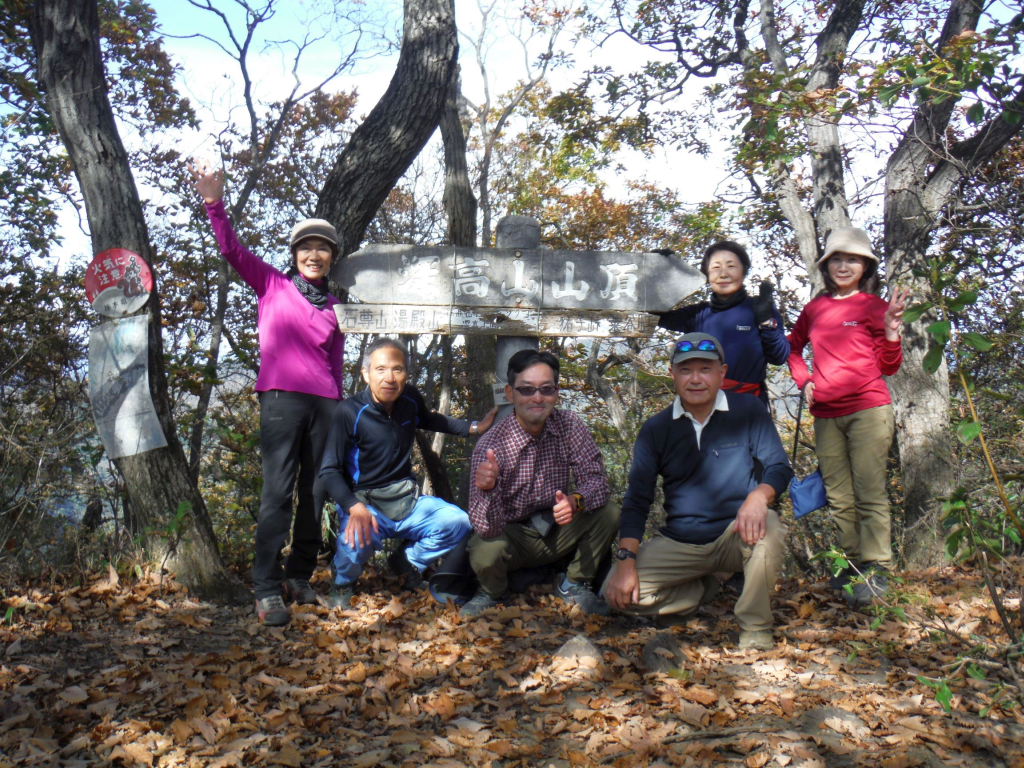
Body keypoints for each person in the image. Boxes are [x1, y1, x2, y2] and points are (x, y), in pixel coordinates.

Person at [189, 160, 345, 627]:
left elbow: (335, 361)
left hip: (325, 404)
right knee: (277, 492)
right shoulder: (272, 285)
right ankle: (264, 585)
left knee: (316, 492)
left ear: (332, 257)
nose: (314, 255)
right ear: (295, 254)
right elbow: (231, 249)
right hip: (280, 398)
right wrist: (214, 203)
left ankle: (298, 576)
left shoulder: (337, 307)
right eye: (306, 248)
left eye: (323, 249)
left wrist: (337, 403)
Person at [603, 332, 793, 650]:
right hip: (680, 542)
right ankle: (699, 590)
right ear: (672, 374)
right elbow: (637, 502)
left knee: (771, 526)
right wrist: (625, 564)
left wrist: (759, 496)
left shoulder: (747, 410)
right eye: (685, 369)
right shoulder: (656, 429)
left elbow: (778, 466)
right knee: (616, 593)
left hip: (736, 533)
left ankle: (756, 628)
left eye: (705, 369)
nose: (695, 379)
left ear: (722, 372)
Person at [320, 338, 496, 608]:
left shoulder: (410, 399)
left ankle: (405, 562)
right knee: (354, 540)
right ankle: (343, 581)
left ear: (406, 373)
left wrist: (474, 427)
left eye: (397, 369)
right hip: (365, 504)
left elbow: (430, 419)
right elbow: (329, 470)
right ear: (366, 374)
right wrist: (353, 506)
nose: (389, 378)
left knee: (459, 522)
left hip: (407, 500)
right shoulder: (350, 412)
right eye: (380, 369)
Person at [787, 226, 909, 607]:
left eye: (852, 259)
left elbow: (889, 367)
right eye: (836, 259)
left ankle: (877, 568)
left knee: (869, 490)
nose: (843, 266)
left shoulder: (873, 307)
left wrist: (891, 332)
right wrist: (803, 379)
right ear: (826, 267)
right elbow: (791, 349)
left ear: (865, 266)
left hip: (869, 408)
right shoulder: (815, 308)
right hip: (825, 413)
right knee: (838, 495)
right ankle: (850, 565)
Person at [461, 349, 620, 617]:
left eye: (546, 389)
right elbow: (485, 529)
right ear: (510, 394)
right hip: (512, 535)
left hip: (556, 528)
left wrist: (575, 501)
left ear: (556, 393)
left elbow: (596, 482)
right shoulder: (492, 445)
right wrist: (487, 491)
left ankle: (574, 583)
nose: (537, 398)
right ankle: (493, 593)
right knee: (484, 548)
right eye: (526, 390)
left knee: (609, 513)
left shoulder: (569, 425)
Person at [657, 240, 789, 406]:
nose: (723, 274)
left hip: (749, 409)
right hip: (704, 408)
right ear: (706, 273)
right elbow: (657, 316)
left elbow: (779, 357)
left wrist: (765, 321)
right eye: (716, 267)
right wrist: (659, 273)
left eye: (731, 266)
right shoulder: (699, 314)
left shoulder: (759, 307)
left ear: (744, 270)